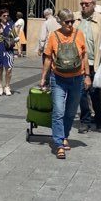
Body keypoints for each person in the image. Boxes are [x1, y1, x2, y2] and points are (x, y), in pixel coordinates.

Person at [39, 8, 91, 160]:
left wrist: (87, 75)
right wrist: (44, 78)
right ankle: (59, 144)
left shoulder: (79, 34)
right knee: (58, 111)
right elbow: (48, 58)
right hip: (58, 79)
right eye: (67, 22)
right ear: (60, 22)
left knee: (70, 112)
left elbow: (84, 56)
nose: (70, 24)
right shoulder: (54, 36)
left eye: (72, 21)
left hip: (77, 79)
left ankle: (64, 135)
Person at [75, 0, 101, 133]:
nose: (84, 6)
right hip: (78, 63)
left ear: (94, 5)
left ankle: (98, 119)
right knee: (81, 93)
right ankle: (85, 120)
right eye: (82, 4)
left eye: (87, 4)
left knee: (94, 93)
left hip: (94, 62)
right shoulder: (75, 18)